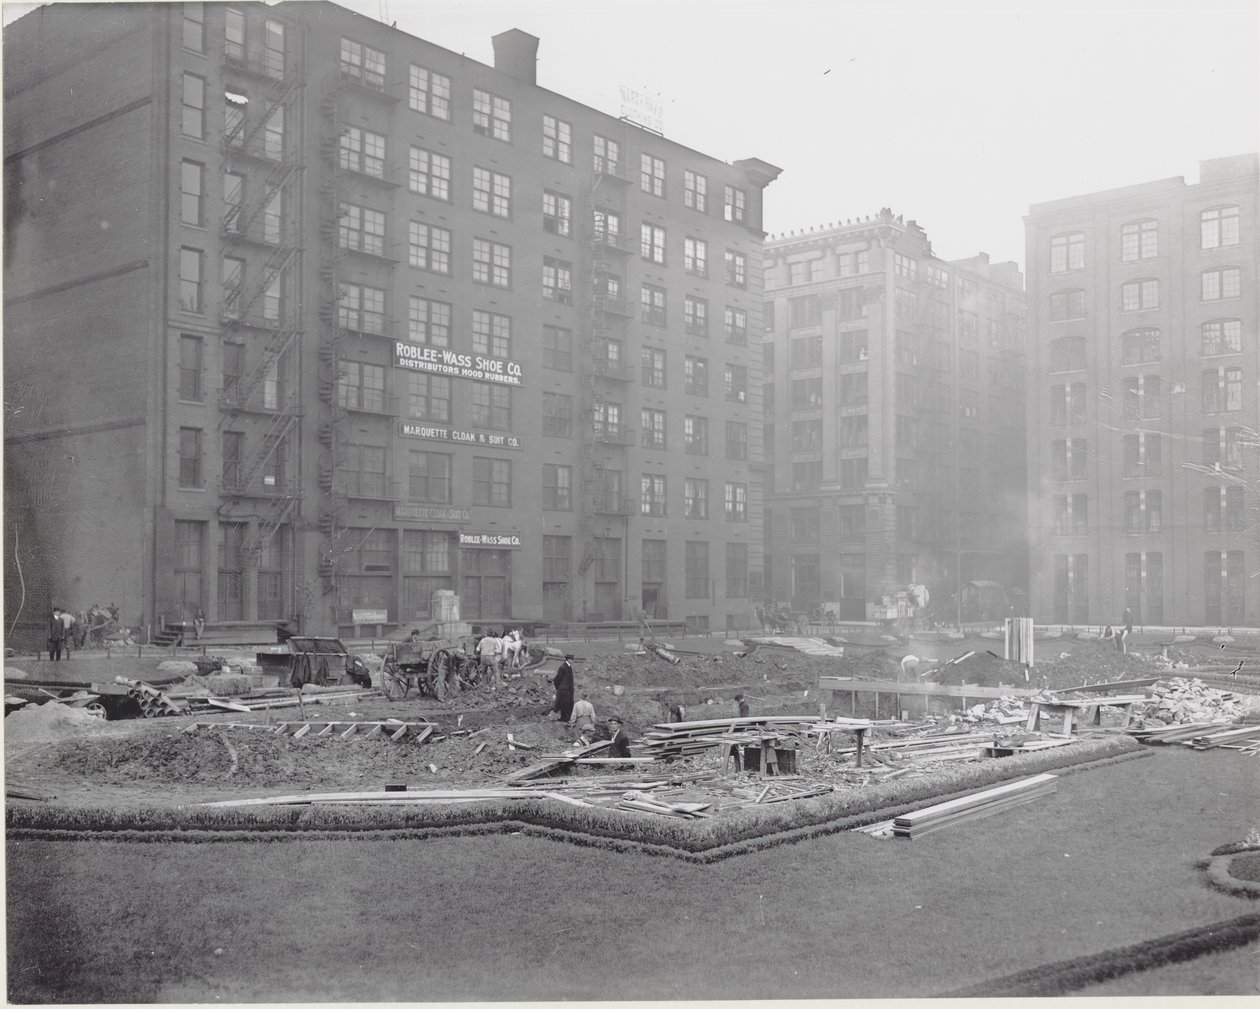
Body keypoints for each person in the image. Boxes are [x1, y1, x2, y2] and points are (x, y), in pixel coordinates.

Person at [551, 654, 575, 722]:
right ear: (568, 659)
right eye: (572, 659)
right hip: (564, 690)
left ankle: (565, 718)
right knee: (563, 704)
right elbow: (558, 678)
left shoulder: (568, 666)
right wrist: (557, 687)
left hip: (567, 689)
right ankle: (563, 718)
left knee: (566, 704)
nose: (573, 660)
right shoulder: (563, 667)